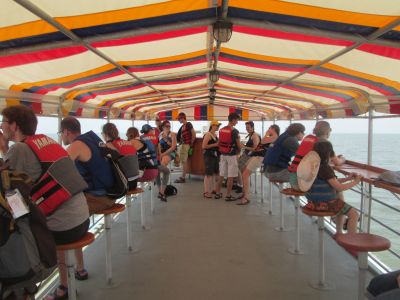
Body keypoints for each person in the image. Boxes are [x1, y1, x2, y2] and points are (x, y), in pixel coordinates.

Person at [0, 106, 90, 300]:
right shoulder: (47, 141)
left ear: (14, 125)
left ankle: (29, 286)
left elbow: (7, 187)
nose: (1, 126)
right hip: (83, 219)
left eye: (3, 121)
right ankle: (62, 284)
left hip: (65, 228)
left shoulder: (19, 149)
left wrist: (4, 148)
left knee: (15, 230)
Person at [60, 117, 116, 214]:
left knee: (57, 212)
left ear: (65, 132)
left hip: (99, 198)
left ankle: (80, 229)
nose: (60, 136)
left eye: (60, 133)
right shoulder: (91, 141)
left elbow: (60, 170)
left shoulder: (76, 145)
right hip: (111, 194)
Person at [305, 140, 360, 235]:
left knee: (341, 207)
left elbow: (330, 182)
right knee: (354, 214)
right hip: (324, 205)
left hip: (312, 203)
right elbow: (339, 188)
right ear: (329, 154)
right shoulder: (325, 168)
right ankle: (352, 240)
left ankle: (339, 233)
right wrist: (356, 181)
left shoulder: (313, 165)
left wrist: (348, 178)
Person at [288, 120, 345, 190]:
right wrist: (343, 159)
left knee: (331, 180)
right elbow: (337, 162)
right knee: (335, 185)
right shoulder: (324, 144)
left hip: (292, 179)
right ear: (328, 131)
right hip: (301, 183)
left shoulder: (307, 138)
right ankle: (332, 200)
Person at [238, 124, 280, 205]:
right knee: (245, 173)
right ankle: (245, 193)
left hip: (260, 157)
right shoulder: (273, 137)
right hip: (257, 156)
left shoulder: (275, 137)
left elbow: (263, 141)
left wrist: (266, 134)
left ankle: (246, 197)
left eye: (270, 128)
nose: (268, 129)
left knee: (245, 175)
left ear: (274, 129)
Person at [126, 127, 162, 199]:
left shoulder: (132, 142)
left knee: (123, 176)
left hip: (146, 173)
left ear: (129, 134)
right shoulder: (145, 140)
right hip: (155, 171)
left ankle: (128, 198)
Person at [101, 123, 139, 190]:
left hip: (124, 183)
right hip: (135, 181)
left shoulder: (109, 145)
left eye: (102, 133)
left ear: (105, 134)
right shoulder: (129, 142)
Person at [215, 113, 241, 201]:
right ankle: (228, 195)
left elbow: (219, 142)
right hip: (232, 155)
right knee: (231, 176)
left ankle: (218, 193)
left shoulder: (221, 130)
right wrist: (239, 152)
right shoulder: (234, 131)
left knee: (221, 174)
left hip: (223, 154)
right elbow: (238, 145)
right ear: (233, 120)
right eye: (237, 120)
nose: (237, 122)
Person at [156, 121, 177, 200]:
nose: (168, 127)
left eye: (169, 126)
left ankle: (161, 192)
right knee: (157, 168)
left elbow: (173, 147)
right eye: (166, 126)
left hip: (170, 153)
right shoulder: (160, 135)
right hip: (161, 153)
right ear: (163, 127)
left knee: (162, 163)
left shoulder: (172, 135)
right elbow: (158, 146)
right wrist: (159, 154)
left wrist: (162, 154)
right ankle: (161, 191)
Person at [202, 120, 221, 198]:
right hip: (209, 156)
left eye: (218, 125)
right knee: (208, 174)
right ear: (212, 126)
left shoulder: (215, 135)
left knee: (214, 173)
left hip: (214, 156)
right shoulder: (208, 135)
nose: (218, 127)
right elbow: (203, 146)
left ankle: (213, 189)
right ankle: (206, 191)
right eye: (217, 125)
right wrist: (216, 144)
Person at [175, 112, 196, 183]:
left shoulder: (188, 124)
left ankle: (183, 177)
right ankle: (183, 176)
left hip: (186, 145)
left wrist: (191, 143)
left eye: (179, 119)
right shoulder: (183, 126)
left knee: (184, 162)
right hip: (183, 145)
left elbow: (193, 133)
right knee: (184, 161)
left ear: (182, 118)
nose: (178, 120)